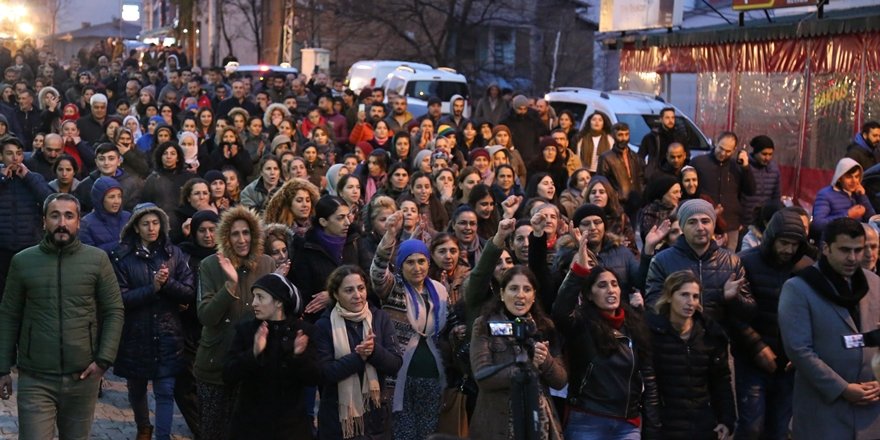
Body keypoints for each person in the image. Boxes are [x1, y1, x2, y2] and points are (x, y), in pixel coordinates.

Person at [0, 193, 125, 439]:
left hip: (82, 376)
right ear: (44, 221)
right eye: (55, 215)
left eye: (69, 216)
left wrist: (103, 360)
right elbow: (9, 314)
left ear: (79, 222)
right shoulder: (23, 261)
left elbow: (114, 310)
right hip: (35, 377)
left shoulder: (97, 260)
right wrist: (2, 367)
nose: (62, 223)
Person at [779, 217, 880, 438]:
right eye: (844, 250)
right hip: (824, 413)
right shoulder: (798, 288)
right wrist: (842, 389)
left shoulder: (874, 283)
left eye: (858, 250)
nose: (853, 258)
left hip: (871, 415)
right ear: (826, 248)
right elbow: (799, 350)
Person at [553, 233, 661, 438]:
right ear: (589, 294)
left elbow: (647, 376)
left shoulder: (634, 325)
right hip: (588, 419)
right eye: (602, 286)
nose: (610, 290)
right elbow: (560, 311)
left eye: (614, 284)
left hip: (627, 422)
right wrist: (579, 272)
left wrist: (652, 423)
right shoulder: (581, 323)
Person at [110, 203, 195, 440]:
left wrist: (167, 285)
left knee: (165, 391)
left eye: (155, 223)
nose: (151, 228)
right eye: (146, 223)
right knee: (136, 389)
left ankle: (162, 436)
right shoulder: (121, 256)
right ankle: (144, 427)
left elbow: (189, 291)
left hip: (167, 333)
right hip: (135, 335)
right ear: (136, 227)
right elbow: (120, 297)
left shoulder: (173, 254)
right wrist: (152, 288)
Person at [194, 205, 276, 440]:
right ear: (226, 238)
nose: (242, 239)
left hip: (252, 364)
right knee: (213, 433)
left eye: (246, 232)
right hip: (216, 365)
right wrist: (229, 285)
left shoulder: (267, 264)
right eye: (235, 234)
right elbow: (206, 316)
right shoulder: (210, 265)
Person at [370, 215, 449, 440]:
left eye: (421, 261)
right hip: (399, 380)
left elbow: (446, 327)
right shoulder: (393, 288)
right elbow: (377, 272)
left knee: (428, 435)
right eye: (410, 262)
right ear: (401, 265)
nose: (417, 268)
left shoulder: (439, 291)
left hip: (432, 378)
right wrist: (390, 236)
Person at [735, 208, 812, 439]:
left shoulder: (806, 268)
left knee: (779, 429)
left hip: (789, 362)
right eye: (784, 243)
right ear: (771, 238)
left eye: (794, 245)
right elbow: (733, 314)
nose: (788, 250)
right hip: (752, 358)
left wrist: (799, 351)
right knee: (751, 426)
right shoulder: (744, 262)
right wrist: (756, 346)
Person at [469, 266, 566, 440]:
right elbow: (482, 377)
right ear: (502, 293)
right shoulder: (484, 325)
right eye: (513, 288)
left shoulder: (545, 327)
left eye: (527, 289)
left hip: (540, 424)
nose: (520, 295)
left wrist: (546, 361)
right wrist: (528, 368)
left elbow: (560, 381)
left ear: (534, 295)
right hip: (499, 424)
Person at [223, 273, 322, 439]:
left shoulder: (302, 331)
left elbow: (315, 377)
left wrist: (298, 356)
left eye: (260, 297)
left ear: (278, 302)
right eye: (254, 297)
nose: (254, 303)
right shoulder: (246, 330)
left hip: (291, 427)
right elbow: (228, 374)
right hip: (250, 426)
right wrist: (253, 352)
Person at [314, 265, 403, 439]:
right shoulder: (323, 325)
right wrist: (359, 357)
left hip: (376, 419)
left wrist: (374, 351)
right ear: (335, 294)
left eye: (361, 288)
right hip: (338, 421)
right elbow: (323, 373)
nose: (357, 295)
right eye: (349, 290)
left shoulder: (380, 318)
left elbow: (395, 364)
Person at [649, 270, 736, 439]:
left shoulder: (710, 333)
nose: (690, 302)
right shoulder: (653, 332)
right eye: (684, 295)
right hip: (666, 423)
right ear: (669, 296)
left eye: (695, 297)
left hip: (702, 421)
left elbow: (721, 380)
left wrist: (726, 419)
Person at [289, 195, 360, 321]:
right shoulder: (306, 250)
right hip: (323, 322)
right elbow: (305, 297)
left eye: (348, 216)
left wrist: (333, 295)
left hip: (357, 317)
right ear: (323, 222)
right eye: (340, 218)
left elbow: (368, 282)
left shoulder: (355, 242)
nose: (348, 222)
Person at [0, 137, 52, 295]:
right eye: (10, 153)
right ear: (1, 157)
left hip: (29, 246)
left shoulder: (34, 178)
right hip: (2, 248)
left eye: (19, 153)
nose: (15, 158)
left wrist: (28, 178)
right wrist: (2, 179)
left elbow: (50, 202)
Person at [691, 131, 756, 251]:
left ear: (734, 149)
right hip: (704, 221)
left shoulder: (737, 166)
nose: (723, 153)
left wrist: (746, 168)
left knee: (728, 261)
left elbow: (751, 191)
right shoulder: (698, 163)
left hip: (731, 222)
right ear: (716, 142)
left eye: (728, 151)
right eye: (721, 148)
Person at [812, 157, 876, 235]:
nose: (854, 181)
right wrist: (847, 215)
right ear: (839, 178)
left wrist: (862, 196)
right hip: (835, 242)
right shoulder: (825, 194)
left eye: (857, 176)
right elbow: (818, 225)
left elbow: (872, 220)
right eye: (849, 177)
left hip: (857, 241)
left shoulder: (857, 194)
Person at [80, 176, 132, 252]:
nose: (117, 201)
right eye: (111, 197)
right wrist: (120, 245)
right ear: (100, 199)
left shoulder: (128, 217)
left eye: (119, 196)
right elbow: (89, 255)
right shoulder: (85, 224)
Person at [740, 135, 781, 230]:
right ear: (756, 152)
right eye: (764, 154)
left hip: (765, 222)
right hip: (745, 221)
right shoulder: (744, 167)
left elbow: (776, 196)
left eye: (770, 154)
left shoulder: (774, 170)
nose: (767, 158)